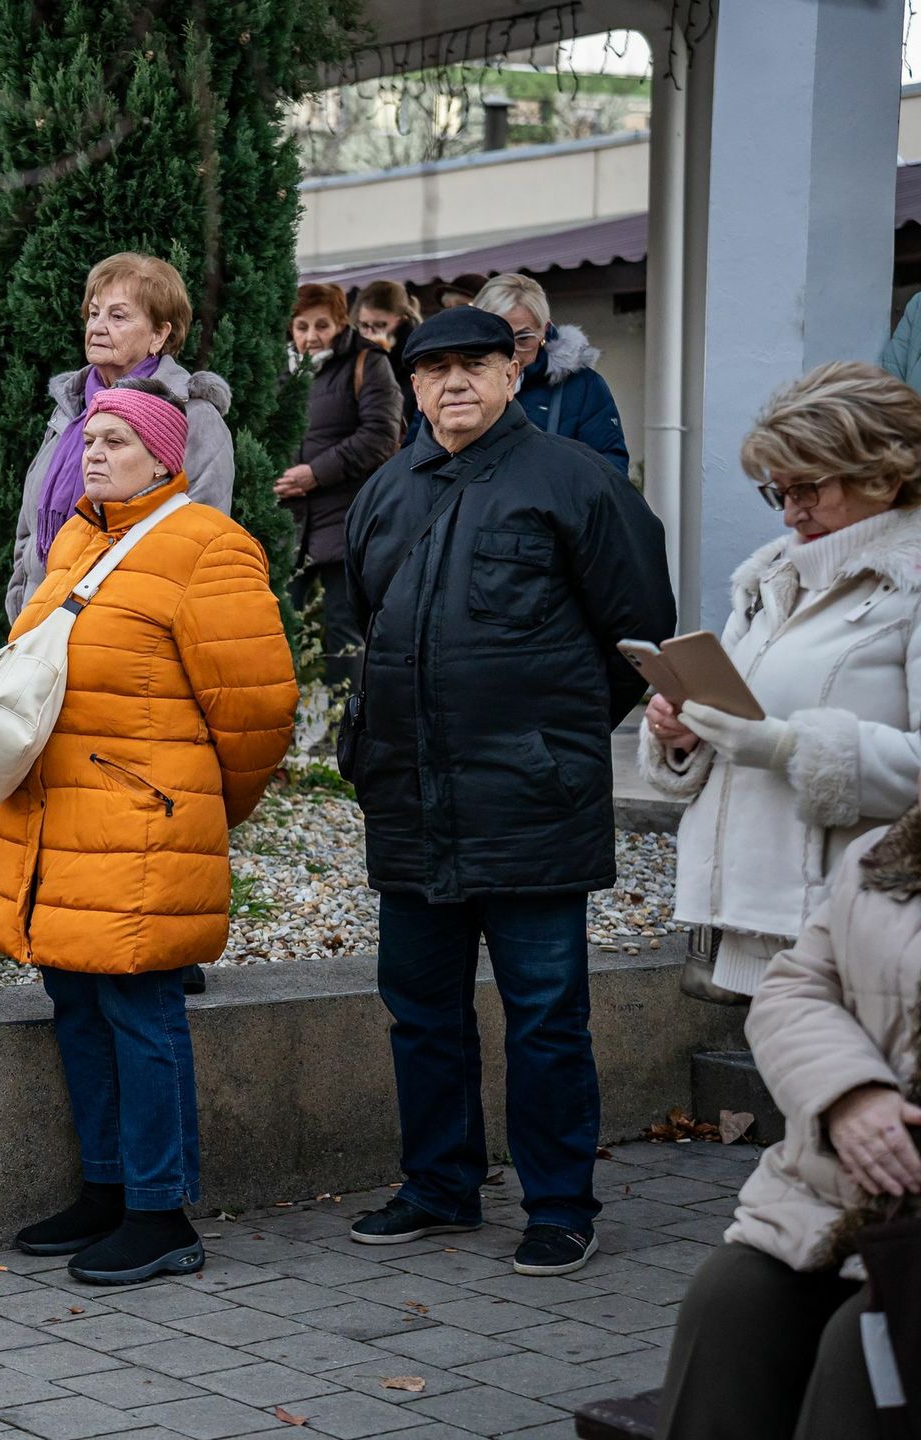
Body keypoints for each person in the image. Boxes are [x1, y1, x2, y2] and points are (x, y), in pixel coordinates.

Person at [340, 307, 674, 1277]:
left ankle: (561, 1203)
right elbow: (374, 620)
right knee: (420, 1009)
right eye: (431, 368)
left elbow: (637, 639)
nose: (452, 383)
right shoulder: (386, 493)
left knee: (544, 1014)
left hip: (533, 799)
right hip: (410, 799)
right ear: (410, 384)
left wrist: (546, 737)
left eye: (474, 363)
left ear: (514, 368)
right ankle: (440, 1186)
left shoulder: (579, 483)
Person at [0, 378, 298, 1285]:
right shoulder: (79, 535)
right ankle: (108, 1190)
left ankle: (162, 1213)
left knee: (140, 1011)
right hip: (59, 819)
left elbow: (258, 710)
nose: (95, 452)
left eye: (117, 441)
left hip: (141, 823)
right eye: (90, 439)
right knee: (78, 1006)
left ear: (166, 455)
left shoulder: (209, 546)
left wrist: (190, 804)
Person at [640, 364, 921, 1003]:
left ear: (883, 472)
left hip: (872, 925)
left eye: (809, 488)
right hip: (759, 924)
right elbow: (738, 720)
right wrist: (683, 733)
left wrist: (784, 748)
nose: (792, 512)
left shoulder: (912, 581)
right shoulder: (772, 576)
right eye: (778, 491)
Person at [653, 794, 921, 1439]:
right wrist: (849, 1094)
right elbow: (792, 987)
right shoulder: (884, 857)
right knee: (732, 1299)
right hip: (835, 1201)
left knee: (863, 1346)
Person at [4, 253, 237, 623]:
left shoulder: (190, 414)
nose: (97, 326)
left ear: (159, 334)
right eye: (94, 313)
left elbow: (201, 536)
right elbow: (28, 530)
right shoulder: (72, 409)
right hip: (43, 626)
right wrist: (22, 604)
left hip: (127, 630)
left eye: (118, 316)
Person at [276, 282, 402, 692]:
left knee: (344, 633)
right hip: (289, 525)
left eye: (321, 325)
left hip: (345, 521)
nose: (311, 336)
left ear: (341, 323)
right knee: (278, 632)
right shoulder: (282, 369)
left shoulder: (369, 362)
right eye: (301, 326)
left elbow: (381, 436)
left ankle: (343, 729)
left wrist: (316, 473)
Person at [471, 272, 629, 474]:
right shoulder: (453, 383)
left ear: (544, 331)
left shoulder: (581, 386)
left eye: (523, 338)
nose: (510, 352)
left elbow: (610, 475)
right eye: (495, 337)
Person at [353, 279, 421, 438]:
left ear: (401, 320)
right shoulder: (356, 356)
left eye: (380, 325)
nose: (369, 334)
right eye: (364, 325)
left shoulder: (415, 357)